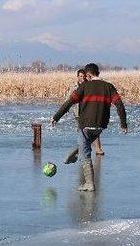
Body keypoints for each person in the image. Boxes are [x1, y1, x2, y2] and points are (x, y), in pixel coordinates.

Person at [51, 63, 127, 191]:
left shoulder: (85, 87)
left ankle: (89, 183)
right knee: (85, 143)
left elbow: (69, 102)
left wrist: (56, 117)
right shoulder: (108, 87)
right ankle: (71, 155)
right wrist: (123, 124)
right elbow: (119, 105)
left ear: (88, 75)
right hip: (100, 126)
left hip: (85, 124)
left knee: (85, 154)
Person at [65, 69, 105, 156]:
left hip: (89, 111)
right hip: (78, 113)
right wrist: (66, 109)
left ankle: (98, 149)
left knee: (93, 129)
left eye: (84, 76)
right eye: (80, 76)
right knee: (82, 132)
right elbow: (68, 99)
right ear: (77, 77)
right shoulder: (74, 87)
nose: (82, 78)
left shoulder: (90, 85)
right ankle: (82, 149)